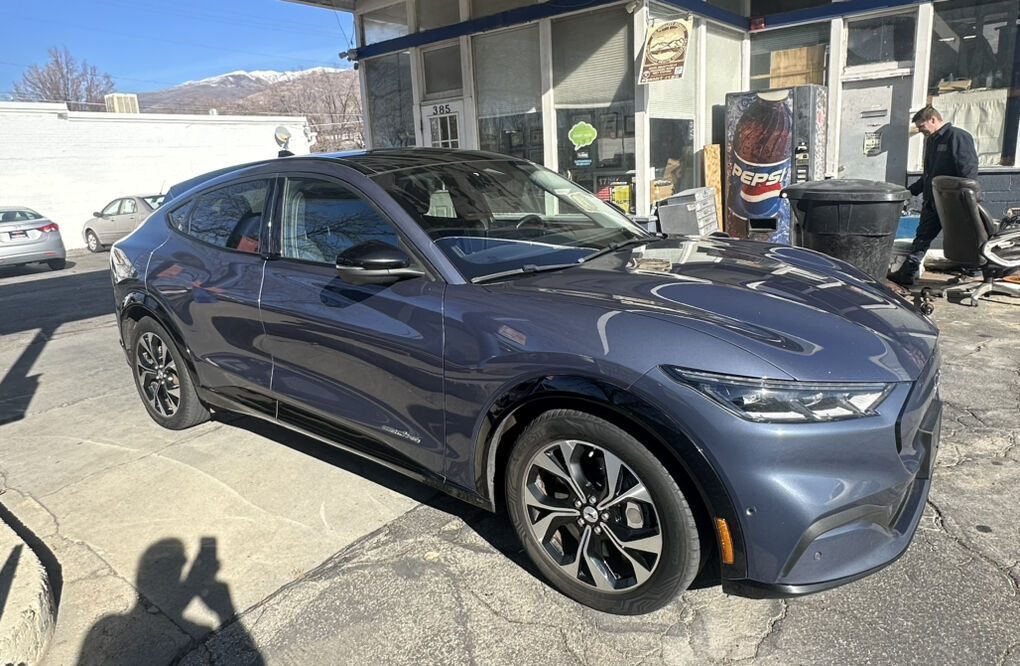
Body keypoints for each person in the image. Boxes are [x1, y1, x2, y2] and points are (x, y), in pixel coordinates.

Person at [888, 105, 979, 286]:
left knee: (962, 239)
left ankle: (973, 272)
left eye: (922, 126)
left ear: (933, 120)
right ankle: (908, 273)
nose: (920, 130)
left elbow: (968, 172)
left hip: (954, 203)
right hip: (933, 200)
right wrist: (909, 191)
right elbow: (929, 175)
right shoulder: (932, 141)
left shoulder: (957, 137)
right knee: (922, 236)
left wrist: (964, 199)